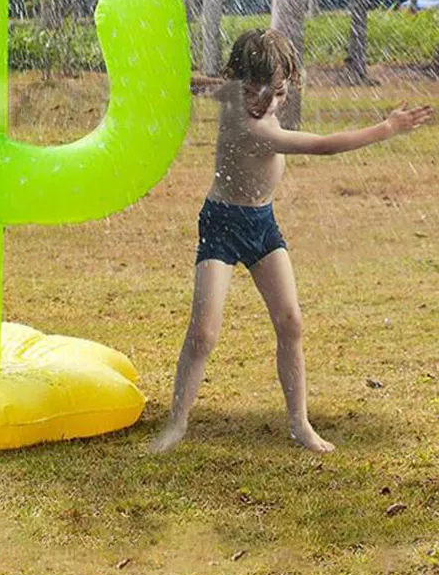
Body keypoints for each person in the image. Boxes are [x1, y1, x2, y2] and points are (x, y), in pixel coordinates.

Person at [153, 28, 432, 453]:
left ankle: (300, 424)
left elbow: (202, 84)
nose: (264, 102)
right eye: (253, 89)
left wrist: (179, 80)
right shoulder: (251, 124)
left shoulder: (232, 92)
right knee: (205, 332)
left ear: (289, 82)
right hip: (222, 225)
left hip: (263, 224)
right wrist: (387, 128)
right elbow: (323, 146)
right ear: (237, 79)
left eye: (277, 91)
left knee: (291, 322)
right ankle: (176, 424)